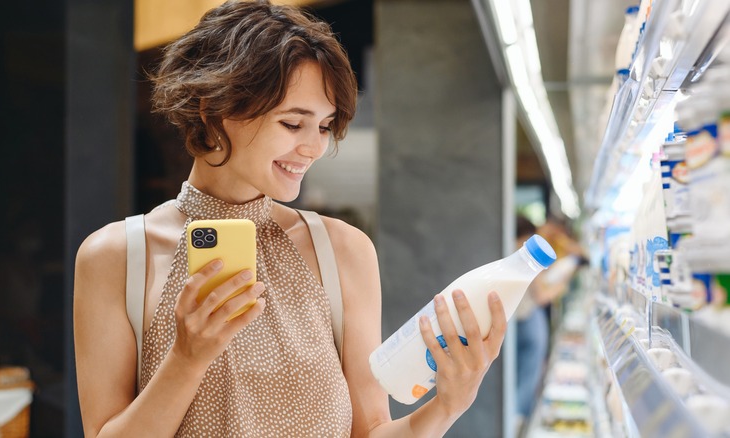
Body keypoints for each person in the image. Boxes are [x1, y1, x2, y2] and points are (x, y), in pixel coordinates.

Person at [73, 1, 508, 436]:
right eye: (292, 123)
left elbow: (371, 430)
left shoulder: (343, 251)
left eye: (323, 126)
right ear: (213, 107)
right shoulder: (116, 258)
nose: (314, 148)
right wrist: (186, 360)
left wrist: (449, 404)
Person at [514, 214, 580, 431]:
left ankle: (518, 420)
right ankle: (518, 421)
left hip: (522, 320)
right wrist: (561, 285)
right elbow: (542, 295)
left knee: (524, 374)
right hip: (527, 319)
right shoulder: (525, 255)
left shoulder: (512, 254)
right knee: (527, 376)